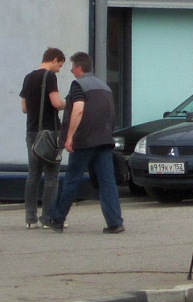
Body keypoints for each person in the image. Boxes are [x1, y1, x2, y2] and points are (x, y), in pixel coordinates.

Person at [45, 51, 124, 234]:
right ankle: (115, 222)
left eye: (72, 67)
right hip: (105, 140)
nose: (71, 71)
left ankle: (57, 219)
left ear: (79, 68)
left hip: (85, 140)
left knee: (72, 179)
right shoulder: (105, 87)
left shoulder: (78, 85)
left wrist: (70, 136)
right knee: (107, 182)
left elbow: (78, 110)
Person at [19, 48, 66, 228]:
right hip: (50, 132)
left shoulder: (28, 77)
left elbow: (24, 108)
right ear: (54, 60)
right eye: (59, 65)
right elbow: (56, 102)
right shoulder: (49, 77)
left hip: (31, 131)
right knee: (52, 176)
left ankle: (30, 219)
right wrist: (68, 103)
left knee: (33, 175)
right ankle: (47, 218)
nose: (59, 70)